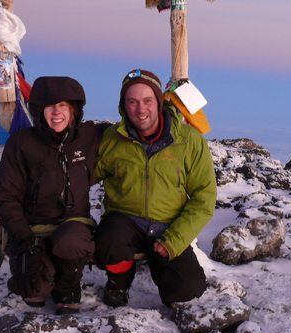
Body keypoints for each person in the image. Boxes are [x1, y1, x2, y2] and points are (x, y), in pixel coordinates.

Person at [93, 69, 217, 307]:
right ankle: (119, 281)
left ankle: (162, 270)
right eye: (132, 102)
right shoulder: (111, 138)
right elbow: (85, 176)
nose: (141, 109)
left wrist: (175, 240)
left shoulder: (189, 140)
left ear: (158, 102)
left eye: (147, 100)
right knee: (108, 243)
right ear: (123, 106)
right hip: (125, 221)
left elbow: (204, 197)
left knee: (188, 291)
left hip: (169, 224)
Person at [0, 76, 102, 315]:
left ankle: (68, 289)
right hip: (31, 229)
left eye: (63, 105)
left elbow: (130, 131)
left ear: (74, 110)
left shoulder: (89, 135)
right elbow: (6, 197)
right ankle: (43, 273)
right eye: (49, 106)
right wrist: (23, 241)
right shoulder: (21, 143)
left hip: (74, 224)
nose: (56, 112)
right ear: (38, 110)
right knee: (34, 290)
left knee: (70, 241)